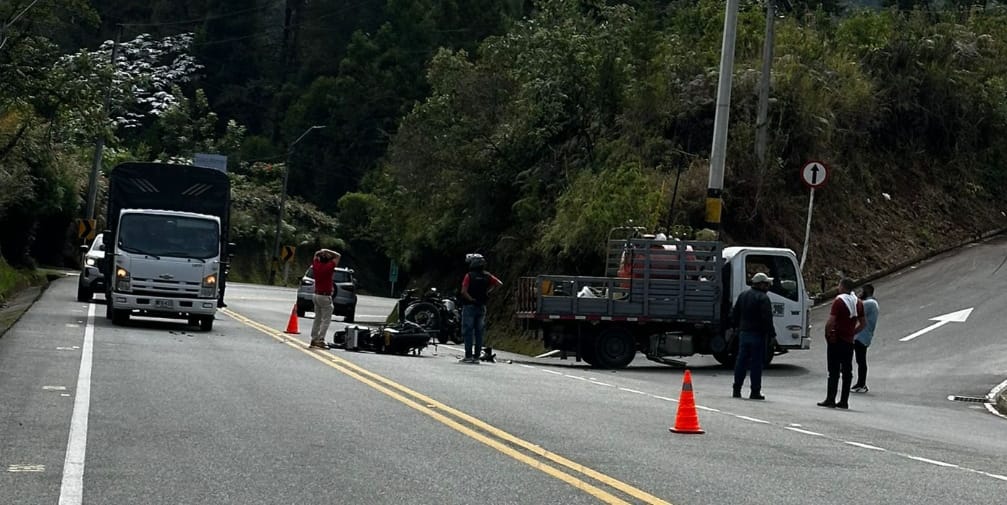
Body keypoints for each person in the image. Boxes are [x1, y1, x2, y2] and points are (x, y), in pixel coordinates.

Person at [818, 278, 865, 409]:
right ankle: (844, 400)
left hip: (836, 339)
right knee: (847, 371)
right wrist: (852, 332)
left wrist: (827, 334)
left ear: (843, 287)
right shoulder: (858, 303)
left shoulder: (839, 301)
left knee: (833, 370)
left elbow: (831, 321)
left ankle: (831, 398)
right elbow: (863, 323)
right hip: (849, 341)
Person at [729, 272, 776, 400]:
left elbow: (735, 314)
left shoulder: (743, 295)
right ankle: (755, 391)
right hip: (758, 335)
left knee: (741, 362)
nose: (768, 287)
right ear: (760, 284)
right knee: (756, 363)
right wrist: (772, 335)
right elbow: (767, 319)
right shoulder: (763, 298)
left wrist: (736, 328)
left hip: (744, 334)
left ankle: (736, 389)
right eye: (766, 284)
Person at [459, 253, 502, 363]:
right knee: (479, 333)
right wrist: (488, 292)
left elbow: (463, 291)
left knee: (468, 332)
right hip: (482, 306)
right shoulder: (487, 276)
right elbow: (499, 284)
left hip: (469, 306)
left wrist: (471, 299)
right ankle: (476, 357)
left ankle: (468, 356)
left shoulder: (469, 275)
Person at [309, 248, 341, 349]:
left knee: (317, 318)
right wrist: (326, 250)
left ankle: (314, 339)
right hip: (325, 296)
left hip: (316, 295)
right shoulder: (329, 267)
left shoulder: (316, 265)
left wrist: (320, 251)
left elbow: (315, 254)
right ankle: (321, 339)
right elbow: (338, 255)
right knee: (326, 319)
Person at [851, 284, 879, 393]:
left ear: (867, 292)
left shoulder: (870, 303)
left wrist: (854, 297)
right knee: (860, 360)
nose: (860, 293)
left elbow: (856, 309)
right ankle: (860, 383)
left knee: (861, 360)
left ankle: (861, 384)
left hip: (862, 336)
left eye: (862, 291)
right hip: (862, 335)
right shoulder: (872, 303)